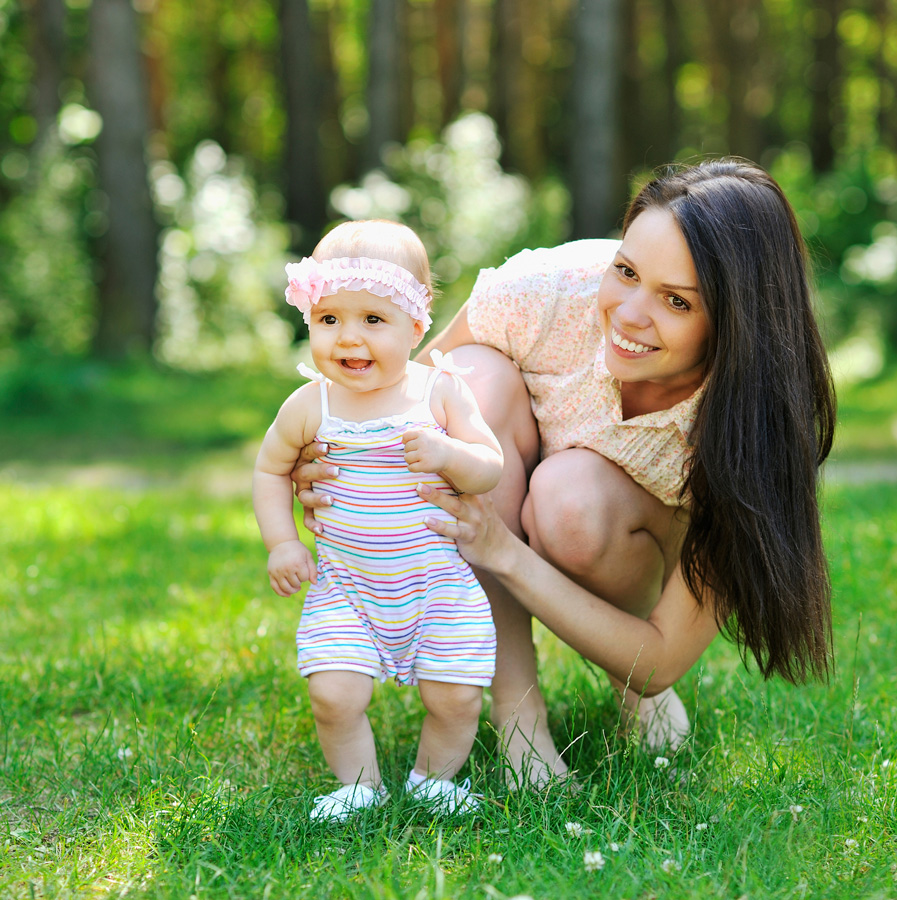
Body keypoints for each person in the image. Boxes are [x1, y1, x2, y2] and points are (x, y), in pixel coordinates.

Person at [292, 159, 837, 787]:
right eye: (626, 271)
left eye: (677, 301)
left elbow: (662, 658)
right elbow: (398, 394)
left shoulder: (754, 418)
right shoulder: (547, 292)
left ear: (738, 321)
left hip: (629, 545)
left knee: (568, 502)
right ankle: (519, 717)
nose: (629, 314)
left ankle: (626, 681)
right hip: (511, 481)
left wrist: (505, 552)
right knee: (471, 380)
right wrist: (328, 460)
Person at [253, 220, 504, 820]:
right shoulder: (310, 403)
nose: (349, 339)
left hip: (437, 585)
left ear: (415, 328)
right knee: (332, 694)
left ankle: (432, 779)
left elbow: (490, 465)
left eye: (373, 320)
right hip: (349, 586)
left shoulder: (439, 392)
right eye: (329, 319)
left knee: (457, 697)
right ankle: (357, 786)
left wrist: (449, 455)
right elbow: (269, 471)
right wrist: (282, 542)